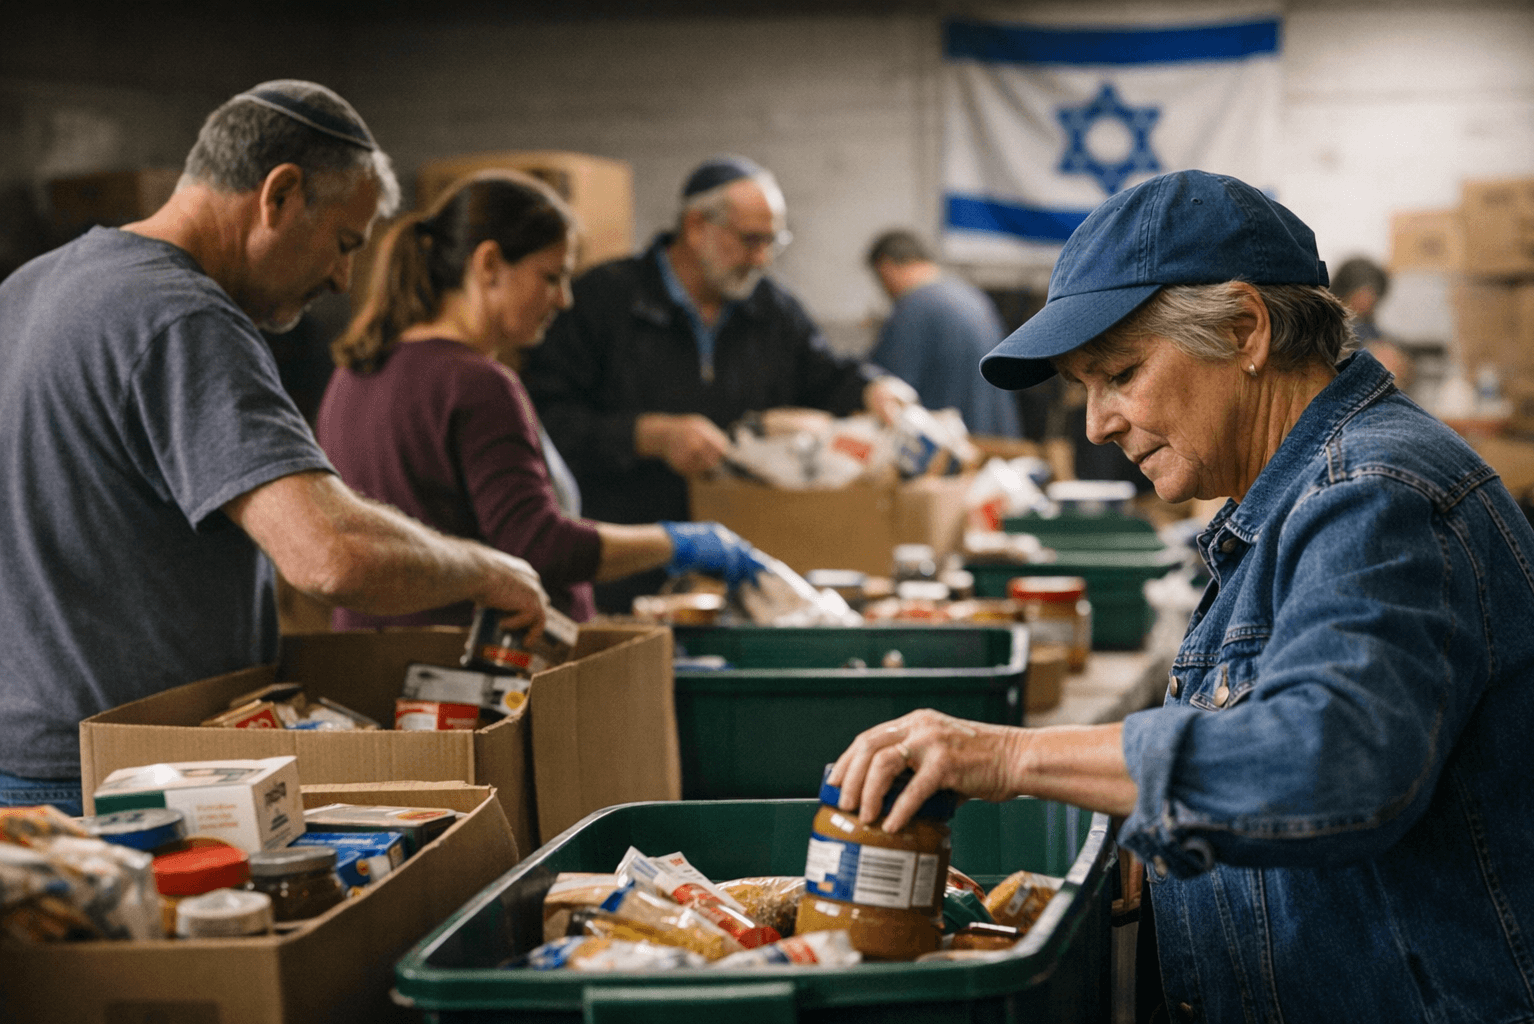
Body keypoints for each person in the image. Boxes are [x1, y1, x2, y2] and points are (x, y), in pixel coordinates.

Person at [830, 170, 1534, 1022]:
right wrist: (1172, 839)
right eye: (1084, 387)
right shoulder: (1286, 500)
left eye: (1120, 373)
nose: (1096, 424)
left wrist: (1012, 757)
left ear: (1246, 330)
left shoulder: (1376, 494)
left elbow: (1329, 761)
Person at [0, 82, 549, 816]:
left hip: (24, 769)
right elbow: (329, 554)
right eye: (345, 243)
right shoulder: (183, 317)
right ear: (279, 195)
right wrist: (490, 572)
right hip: (124, 786)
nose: (342, 278)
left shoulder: (28, 290)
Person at [315, 170, 766, 626]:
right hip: (469, 673)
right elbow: (538, 545)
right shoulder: (477, 384)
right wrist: (678, 543)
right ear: (489, 264)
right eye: (551, 277)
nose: (564, 300)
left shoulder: (354, 373)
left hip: (375, 659)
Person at [522, 155, 913, 611]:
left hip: (741, 568)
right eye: (749, 240)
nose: (762, 258)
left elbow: (825, 373)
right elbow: (545, 421)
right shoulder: (603, 301)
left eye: (772, 241)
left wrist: (873, 387)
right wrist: (646, 436)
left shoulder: (772, 308)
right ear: (696, 226)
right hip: (627, 571)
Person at [865, 229, 1020, 437]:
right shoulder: (973, 297)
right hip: (994, 438)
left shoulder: (913, 308)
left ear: (887, 268)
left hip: (951, 446)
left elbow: (887, 385)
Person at [1330, 254, 1414, 390]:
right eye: (1365, 294)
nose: (1370, 301)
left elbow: (1384, 344)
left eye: (1375, 294)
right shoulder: (1323, 325)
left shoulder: (1367, 325)